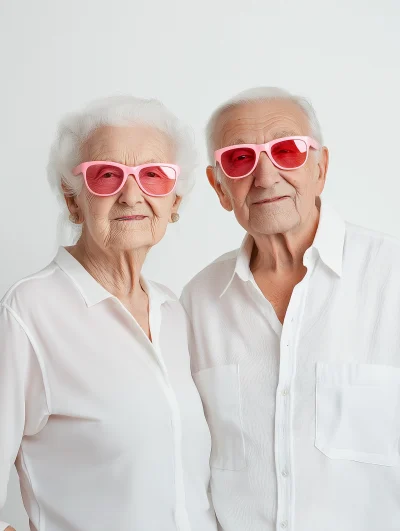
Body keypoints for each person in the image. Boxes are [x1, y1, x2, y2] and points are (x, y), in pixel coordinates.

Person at [181, 86, 400, 531]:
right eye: (240, 159)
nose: (265, 177)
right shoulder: (196, 303)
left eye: (286, 151)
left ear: (321, 168)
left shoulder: (391, 278)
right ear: (219, 187)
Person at [0, 96, 217, 531]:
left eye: (153, 176)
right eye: (106, 175)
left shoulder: (175, 311)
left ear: (174, 203)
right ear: (73, 200)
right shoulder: (28, 311)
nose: (131, 194)